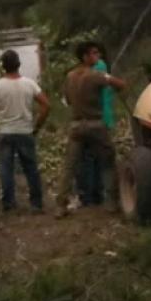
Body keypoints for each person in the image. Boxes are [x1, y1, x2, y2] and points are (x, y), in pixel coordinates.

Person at [56, 42, 126, 218]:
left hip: (76, 125)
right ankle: (111, 203)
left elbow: (67, 99)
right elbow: (121, 85)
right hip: (96, 124)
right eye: (94, 53)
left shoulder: (70, 76)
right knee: (108, 163)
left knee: (69, 167)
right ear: (85, 57)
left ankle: (60, 205)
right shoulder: (96, 75)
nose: (98, 56)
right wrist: (109, 79)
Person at [0, 50, 50, 213]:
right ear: (19, 64)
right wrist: (37, 126)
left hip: (5, 133)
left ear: (3, 66)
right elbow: (46, 105)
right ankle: (36, 204)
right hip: (25, 132)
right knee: (31, 169)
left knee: (6, 170)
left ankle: (9, 203)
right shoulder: (29, 84)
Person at [77, 55, 114, 207]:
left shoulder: (91, 73)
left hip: (92, 121)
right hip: (104, 120)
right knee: (101, 160)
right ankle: (100, 195)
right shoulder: (102, 70)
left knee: (88, 159)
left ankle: (89, 196)